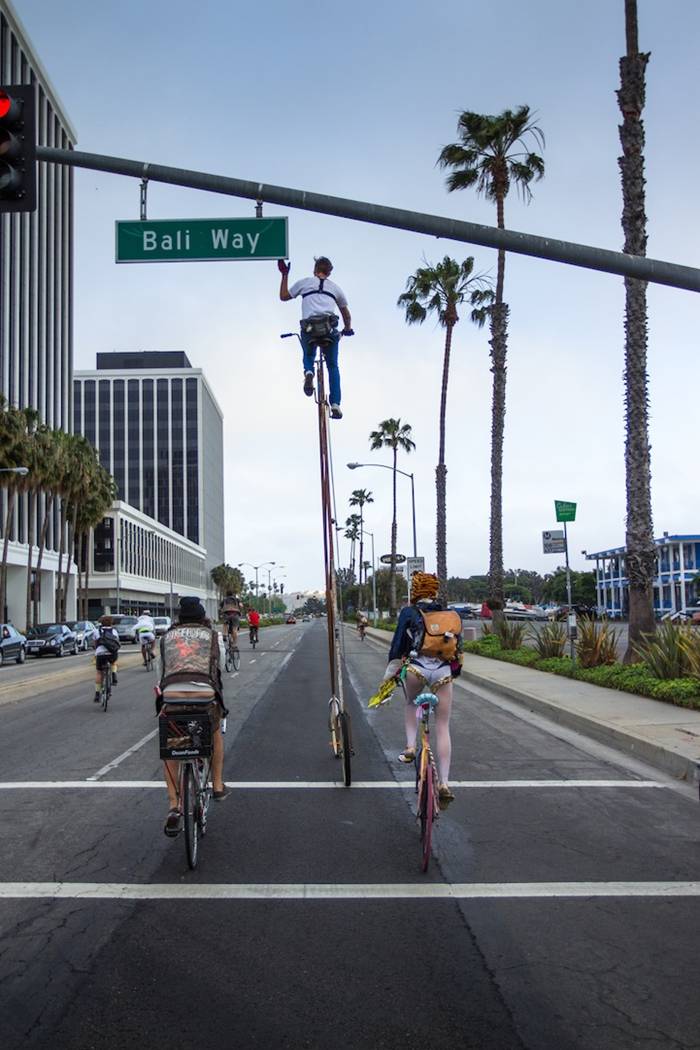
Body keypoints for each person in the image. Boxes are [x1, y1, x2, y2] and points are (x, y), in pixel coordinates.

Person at [383, 572, 463, 809]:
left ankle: (410, 747)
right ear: (435, 590)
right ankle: (445, 783)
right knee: (442, 725)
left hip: (417, 669)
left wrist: (391, 672)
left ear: (415, 591)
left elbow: (398, 645)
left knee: (410, 704)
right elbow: (458, 650)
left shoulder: (409, 613)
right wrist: (452, 673)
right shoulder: (449, 615)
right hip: (442, 673)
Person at [157, 596, 228, 837]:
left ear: (179, 617)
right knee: (215, 730)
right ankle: (217, 784)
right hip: (204, 696)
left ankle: (173, 805)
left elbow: (161, 672)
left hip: (172, 696)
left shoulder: (166, 638)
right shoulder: (213, 636)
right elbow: (222, 666)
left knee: (170, 744)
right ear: (202, 616)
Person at [278, 255, 353, 419]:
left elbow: (283, 296)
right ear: (329, 273)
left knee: (308, 354)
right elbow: (346, 315)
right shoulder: (336, 289)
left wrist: (284, 274)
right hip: (328, 330)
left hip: (310, 328)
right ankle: (335, 404)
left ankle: (309, 371)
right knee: (333, 366)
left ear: (315, 270)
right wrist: (347, 329)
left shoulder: (305, 283)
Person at [92, 614, 120, 701]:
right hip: (111, 654)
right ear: (111, 623)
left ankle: (97, 693)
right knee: (113, 662)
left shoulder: (97, 631)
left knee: (99, 672)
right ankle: (114, 674)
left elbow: (95, 644)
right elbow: (116, 642)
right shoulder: (114, 631)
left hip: (100, 654)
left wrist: (97, 650)